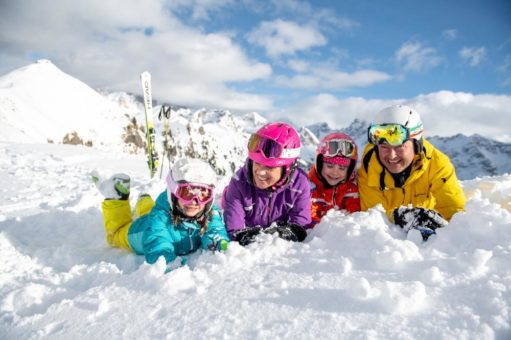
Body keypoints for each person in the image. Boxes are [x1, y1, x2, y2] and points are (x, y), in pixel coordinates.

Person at [93, 158, 229, 266]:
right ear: (173, 193)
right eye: (186, 192)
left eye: (203, 194)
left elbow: (215, 230)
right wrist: (169, 262)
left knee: (149, 212)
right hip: (140, 232)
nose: (194, 201)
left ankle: (144, 200)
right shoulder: (159, 218)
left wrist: (218, 244)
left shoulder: (209, 212)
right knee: (115, 236)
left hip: (152, 216)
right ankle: (116, 197)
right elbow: (158, 242)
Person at [357, 104, 466, 240]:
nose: (391, 155)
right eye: (384, 147)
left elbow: (456, 214)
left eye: (400, 146)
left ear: (417, 144)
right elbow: (375, 218)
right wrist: (400, 216)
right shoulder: (369, 169)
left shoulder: (437, 165)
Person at [222, 122, 311, 245]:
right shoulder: (239, 181)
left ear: (287, 169)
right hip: (249, 221)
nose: (261, 172)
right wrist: (243, 236)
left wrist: (287, 233)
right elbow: (233, 228)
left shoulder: (299, 184)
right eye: (257, 163)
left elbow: (301, 222)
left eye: (270, 167)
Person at [308, 132, 360, 227]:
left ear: (349, 170)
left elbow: (355, 214)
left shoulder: (351, 188)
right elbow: (310, 219)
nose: (335, 172)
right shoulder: (310, 189)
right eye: (330, 166)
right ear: (319, 164)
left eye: (342, 168)